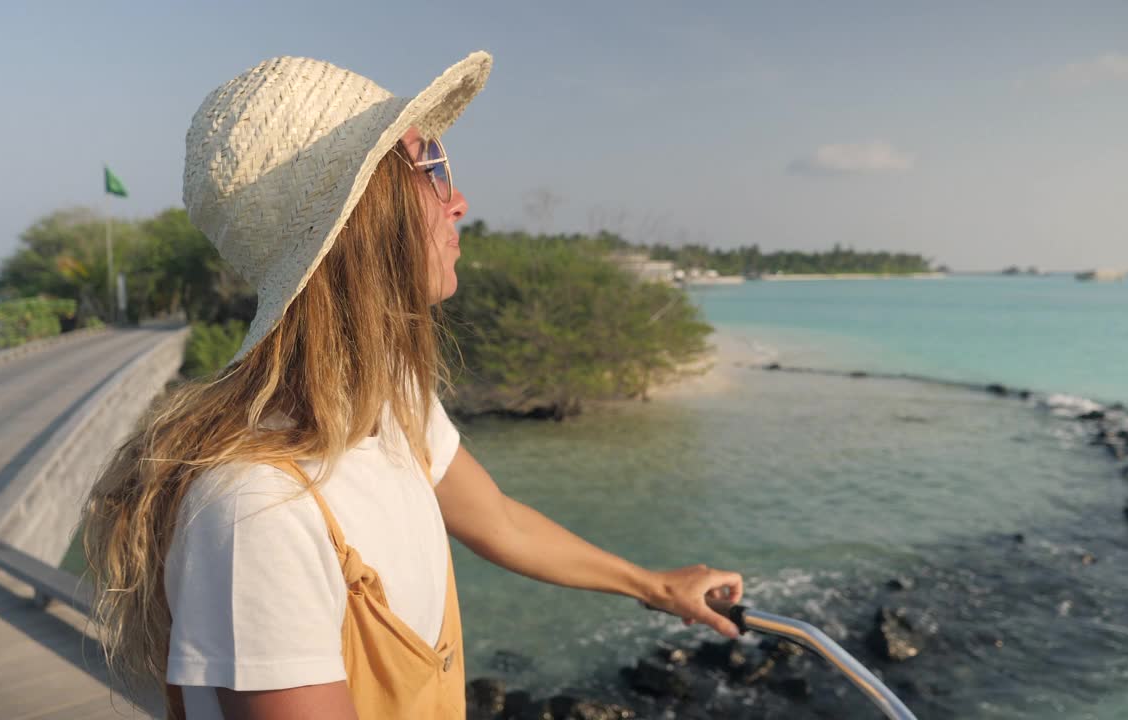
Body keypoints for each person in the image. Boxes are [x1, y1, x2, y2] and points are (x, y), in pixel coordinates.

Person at [80, 51, 744, 720]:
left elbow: (503, 522)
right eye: (430, 166)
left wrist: (656, 586)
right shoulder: (258, 514)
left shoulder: (385, 404)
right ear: (365, 216)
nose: (459, 200)